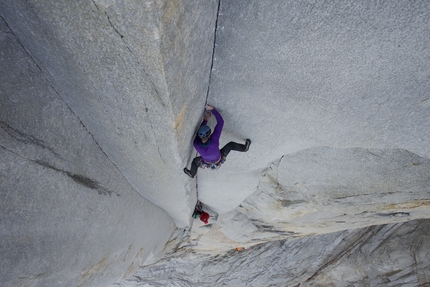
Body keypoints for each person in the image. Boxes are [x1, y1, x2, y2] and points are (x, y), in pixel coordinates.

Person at [183, 105, 251, 178]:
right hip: (219, 158)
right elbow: (220, 122)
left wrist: (205, 120)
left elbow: (198, 132)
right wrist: (212, 110)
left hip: (210, 162)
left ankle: (192, 173)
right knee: (231, 145)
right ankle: (244, 148)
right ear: (209, 135)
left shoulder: (196, 143)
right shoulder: (213, 140)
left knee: (195, 162)